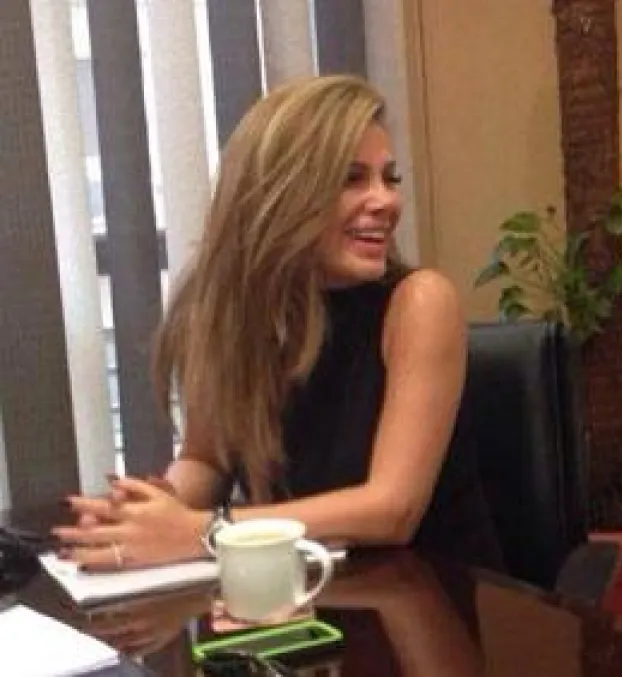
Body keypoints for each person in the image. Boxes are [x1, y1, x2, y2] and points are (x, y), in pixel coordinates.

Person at [54, 75, 502, 572]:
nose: (387, 201)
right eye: (352, 179)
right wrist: (150, 511)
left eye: (389, 179)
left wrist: (198, 531)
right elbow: (206, 459)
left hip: (425, 595)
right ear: (282, 194)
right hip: (296, 588)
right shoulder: (233, 313)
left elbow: (392, 510)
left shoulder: (420, 302)